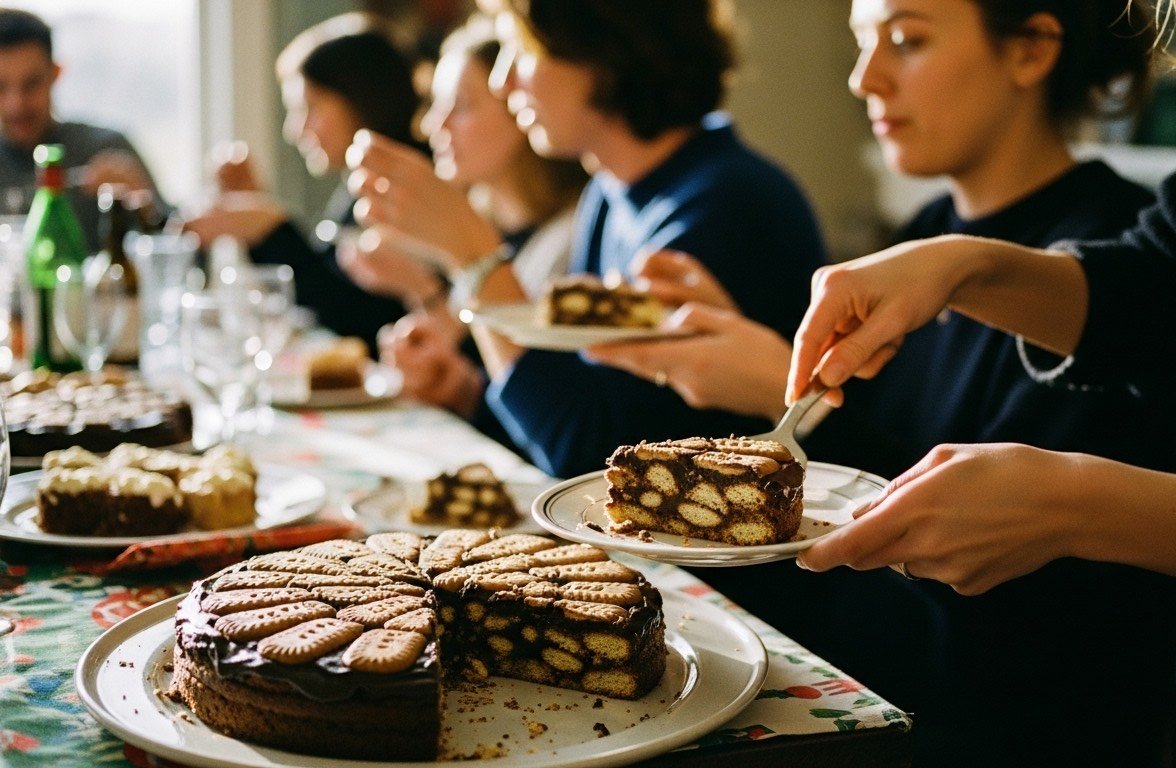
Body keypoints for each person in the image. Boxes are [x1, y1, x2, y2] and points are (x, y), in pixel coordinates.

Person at [783, 1, 1176, 765]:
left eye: (908, 40)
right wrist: (967, 266)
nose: (865, 77)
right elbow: (1168, 289)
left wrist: (1084, 507)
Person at [585, 1, 1176, 764]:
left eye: (905, 40)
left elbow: (1013, 613)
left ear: (1031, 51)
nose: (864, 78)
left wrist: (783, 397)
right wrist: (761, 363)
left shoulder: (1118, 285)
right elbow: (875, 449)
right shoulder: (923, 236)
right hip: (857, 687)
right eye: (863, 44)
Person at [350, 0, 825, 477]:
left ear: (603, 53)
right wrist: (467, 393)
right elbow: (582, 400)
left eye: (522, 48)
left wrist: (473, 256)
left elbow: (596, 457)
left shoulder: (728, 205)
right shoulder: (612, 191)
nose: (503, 80)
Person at [347, 16, 588, 438]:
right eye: (434, 104)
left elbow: (561, 427)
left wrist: (423, 289)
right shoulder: (484, 225)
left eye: (458, 106)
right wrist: (458, 386)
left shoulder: (569, 242)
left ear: (519, 106)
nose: (430, 125)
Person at [185, 13, 424, 351]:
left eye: (309, 107)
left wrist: (273, 229)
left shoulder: (406, 189)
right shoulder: (359, 187)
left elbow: (365, 321)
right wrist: (259, 218)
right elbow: (334, 286)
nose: (295, 130)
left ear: (362, 99)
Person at [0, 7, 166, 249]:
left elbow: (185, 255)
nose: (17, 104)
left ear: (55, 74)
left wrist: (146, 204)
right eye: (1, 87)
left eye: (31, 84)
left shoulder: (106, 147)